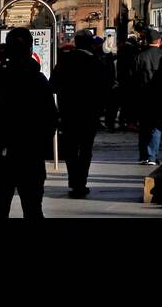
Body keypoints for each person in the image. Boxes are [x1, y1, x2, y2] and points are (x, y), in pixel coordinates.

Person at [0, 29, 57, 219]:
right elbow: (51, 119)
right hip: (30, 155)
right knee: (32, 209)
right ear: (30, 49)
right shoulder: (38, 81)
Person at [52, 30, 111, 198]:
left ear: (76, 43)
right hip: (88, 113)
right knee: (85, 149)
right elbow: (104, 88)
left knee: (70, 149)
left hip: (68, 112)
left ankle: (73, 180)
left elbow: (53, 85)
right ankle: (81, 181)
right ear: (90, 44)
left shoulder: (65, 61)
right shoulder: (95, 62)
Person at [132, 29, 162, 165]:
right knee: (156, 126)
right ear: (159, 41)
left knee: (144, 125)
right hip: (161, 96)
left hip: (143, 96)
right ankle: (151, 156)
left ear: (147, 41)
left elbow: (133, 78)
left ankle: (143, 155)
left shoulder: (140, 57)